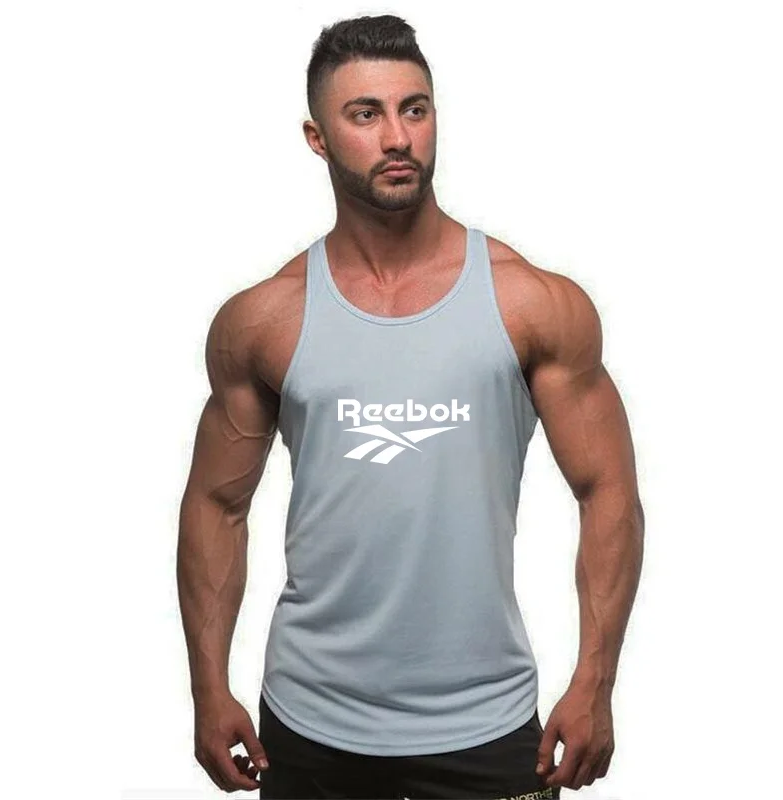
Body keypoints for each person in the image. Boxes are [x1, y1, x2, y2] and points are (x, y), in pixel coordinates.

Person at [177, 13, 644, 799]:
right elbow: (216, 505)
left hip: (489, 723)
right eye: (365, 114)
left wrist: (594, 680)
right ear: (318, 138)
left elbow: (609, 490)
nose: (397, 137)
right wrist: (208, 687)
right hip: (308, 722)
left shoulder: (530, 303)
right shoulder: (266, 319)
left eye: (414, 109)